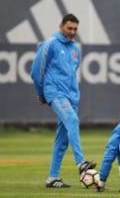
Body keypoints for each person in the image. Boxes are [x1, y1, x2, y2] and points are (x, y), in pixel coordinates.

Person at [31, 14, 96, 188]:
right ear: (61, 26)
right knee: (73, 120)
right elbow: (36, 71)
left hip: (71, 96)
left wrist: (75, 95)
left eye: (75, 29)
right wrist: (41, 93)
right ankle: (81, 162)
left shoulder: (76, 48)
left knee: (62, 140)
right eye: (69, 28)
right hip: (54, 93)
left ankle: (52, 178)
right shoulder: (50, 43)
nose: (72, 32)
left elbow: (71, 74)